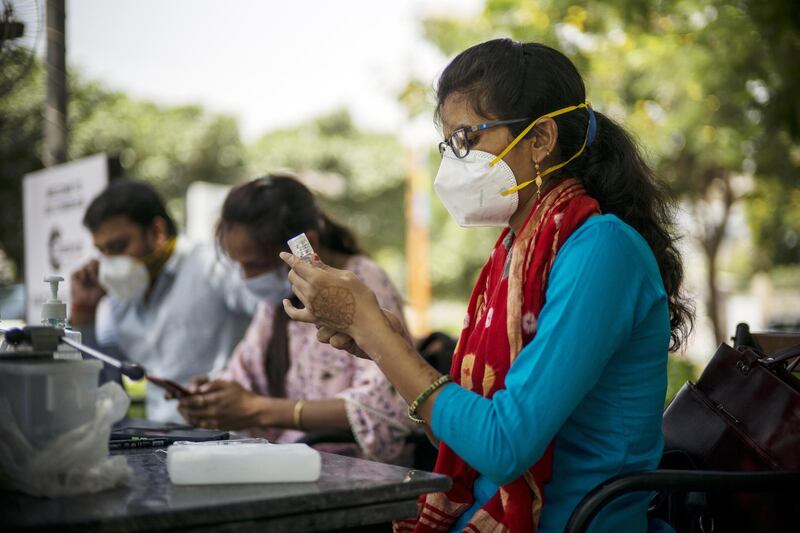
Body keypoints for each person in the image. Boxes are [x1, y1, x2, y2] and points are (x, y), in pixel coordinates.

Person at [280, 39, 693, 532]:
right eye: (449, 144)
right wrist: (380, 346)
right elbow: (461, 441)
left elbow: (502, 446)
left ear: (540, 138)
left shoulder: (601, 251)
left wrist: (377, 333)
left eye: (467, 139)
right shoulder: (514, 253)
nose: (454, 162)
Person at [174, 175, 414, 463]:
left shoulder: (361, 285)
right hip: (291, 464)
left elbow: (386, 407)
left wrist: (259, 409)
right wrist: (212, 399)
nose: (247, 279)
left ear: (305, 245)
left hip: (353, 473)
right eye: (240, 267)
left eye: (257, 266)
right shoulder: (279, 299)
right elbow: (243, 376)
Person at [70, 179, 255, 422]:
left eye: (118, 246)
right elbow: (106, 386)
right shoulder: (119, 301)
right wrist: (84, 316)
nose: (109, 262)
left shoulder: (212, 265)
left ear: (157, 231)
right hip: (160, 438)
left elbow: (271, 313)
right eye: (102, 251)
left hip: (229, 437)